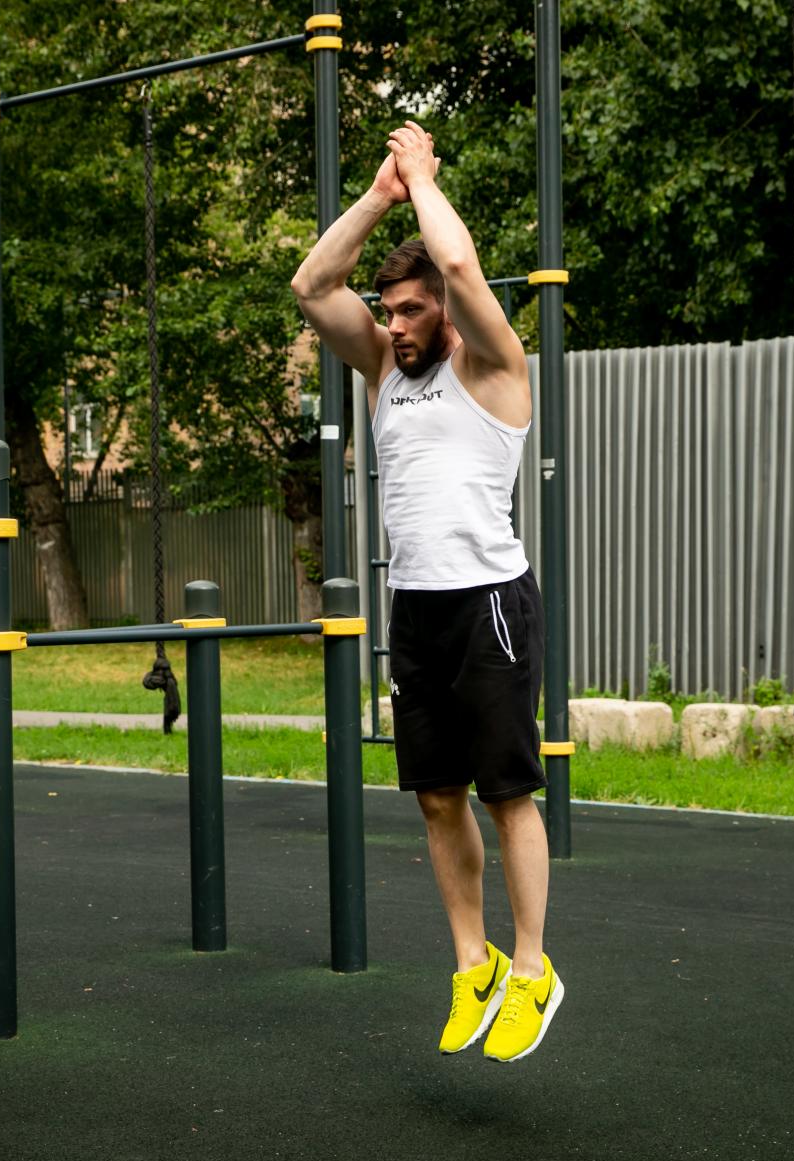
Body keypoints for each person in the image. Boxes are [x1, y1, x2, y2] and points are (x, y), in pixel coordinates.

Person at [290, 121, 564, 1063]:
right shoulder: (381, 370)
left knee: (505, 795)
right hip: (415, 608)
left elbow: (456, 260)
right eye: (389, 310)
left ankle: (532, 969)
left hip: (489, 602)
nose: (396, 323)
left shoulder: (491, 367)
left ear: (446, 312)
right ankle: (472, 964)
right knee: (436, 797)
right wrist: (378, 195)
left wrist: (424, 176)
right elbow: (310, 286)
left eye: (411, 310)